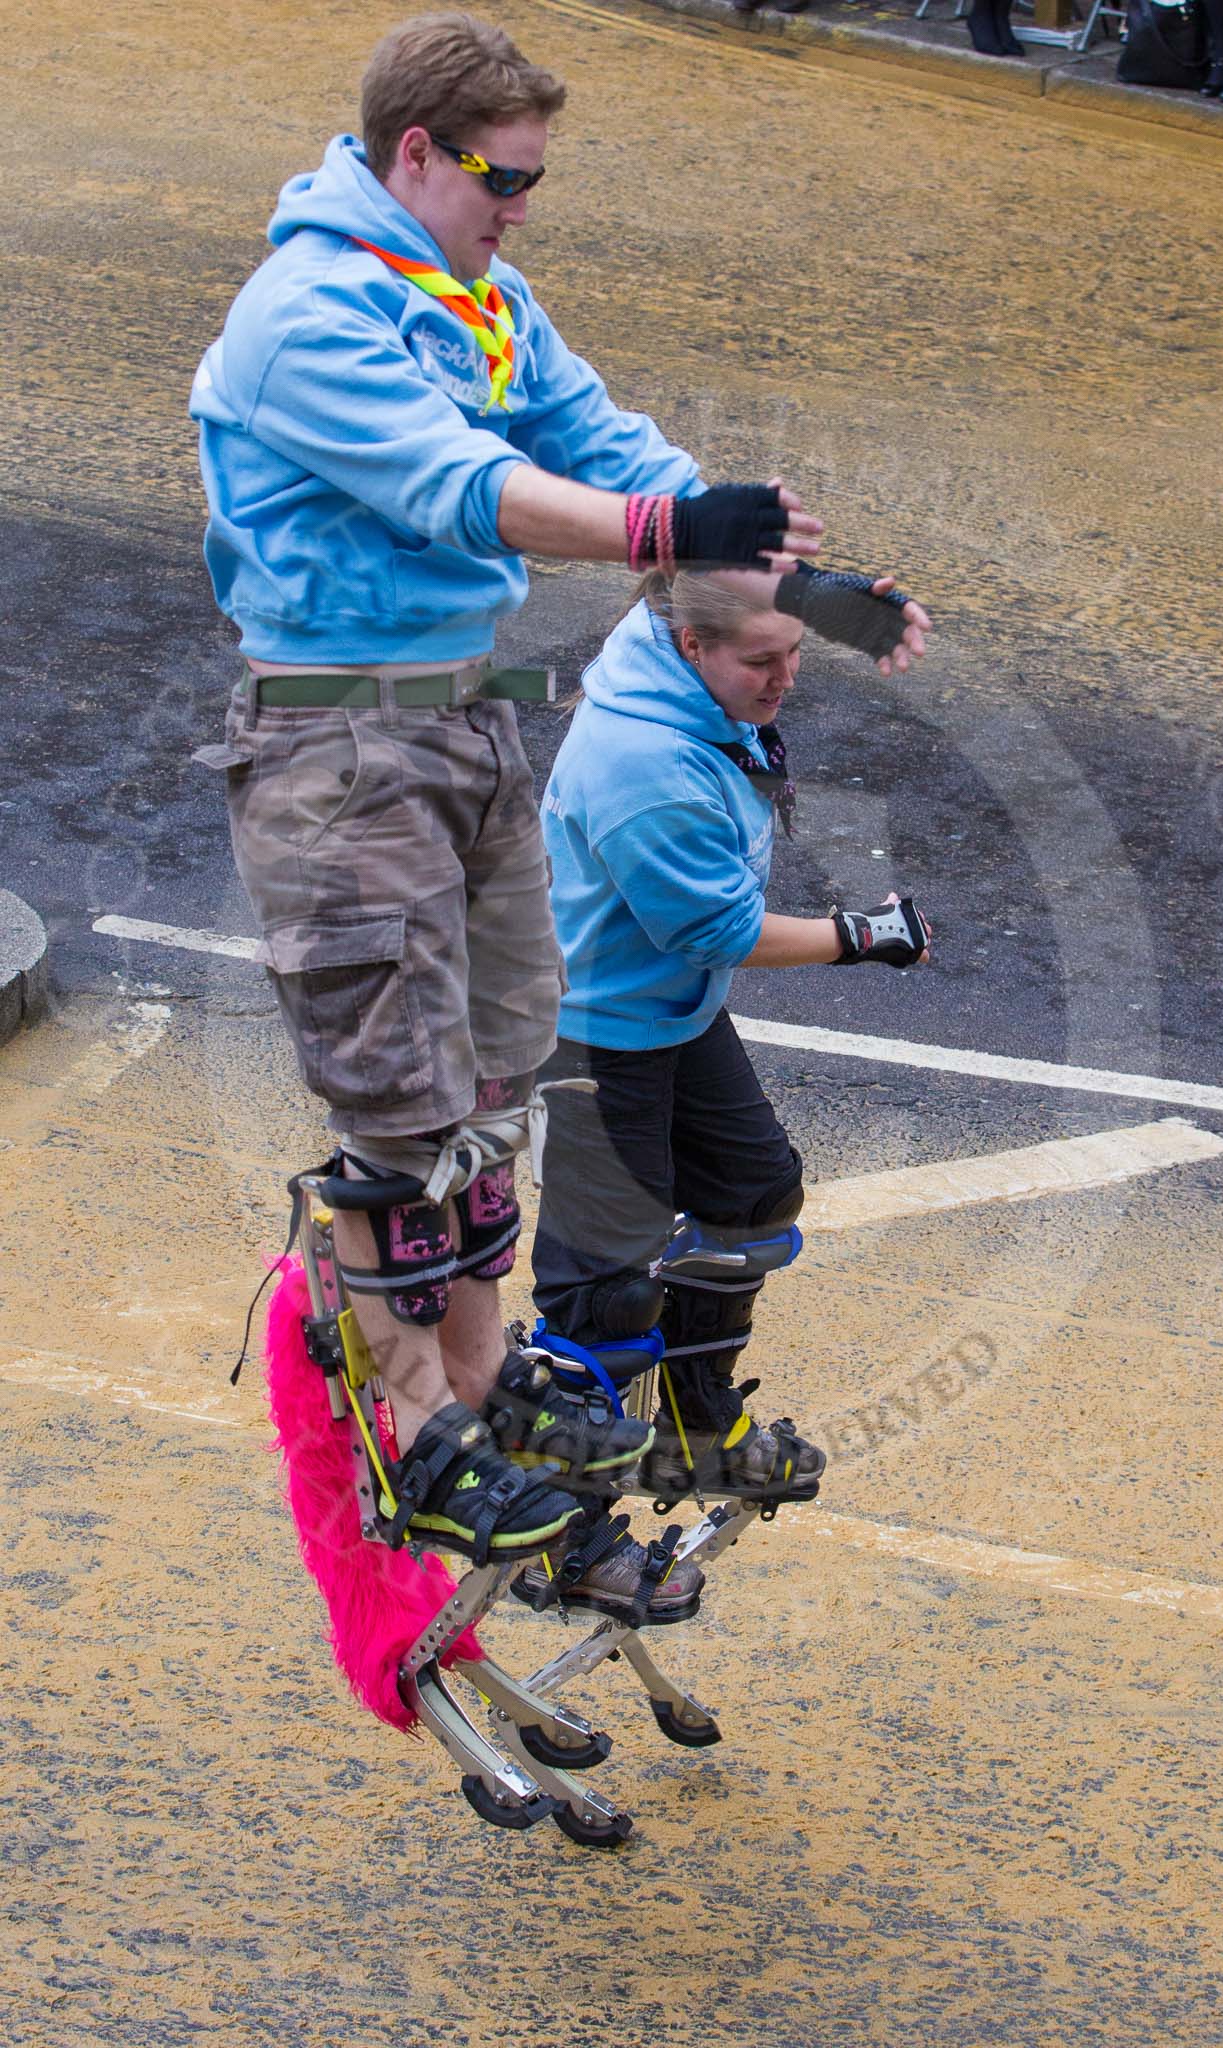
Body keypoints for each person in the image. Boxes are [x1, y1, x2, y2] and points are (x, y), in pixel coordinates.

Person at [189, 9, 833, 1591]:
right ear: (415, 153)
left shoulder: (471, 291)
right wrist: (652, 522)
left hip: (463, 726)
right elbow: (460, 483)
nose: (520, 208)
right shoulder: (308, 315)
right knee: (397, 1105)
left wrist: (753, 550)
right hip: (343, 751)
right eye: (503, 179)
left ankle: (484, 1381)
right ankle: (416, 1427)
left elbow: (592, 433)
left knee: (486, 1083)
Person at [521, 566, 932, 1616]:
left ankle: (696, 1427)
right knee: (602, 1290)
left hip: (670, 1008)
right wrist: (864, 936)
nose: (785, 677)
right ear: (694, 647)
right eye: (763, 660)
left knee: (751, 1198)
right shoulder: (643, 762)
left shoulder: (685, 630)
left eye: (797, 651)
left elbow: (705, 529)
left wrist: (837, 596)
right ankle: (559, 1535)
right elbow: (718, 931)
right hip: (596, 1027)